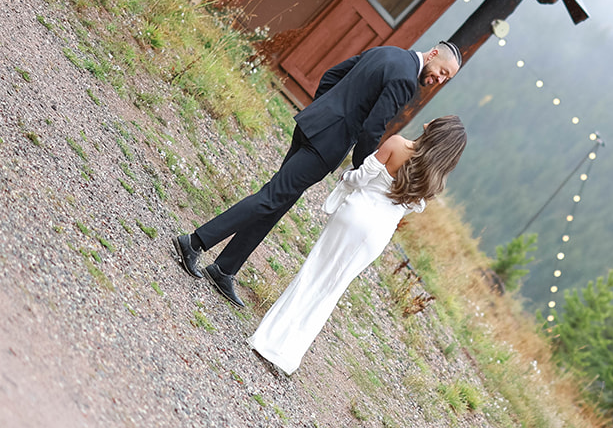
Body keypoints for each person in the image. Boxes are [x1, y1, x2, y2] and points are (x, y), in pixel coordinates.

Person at [174, 43, 461, 306]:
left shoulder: (389, 52)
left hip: (314, 125)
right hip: (325, 144)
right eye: (442, 72)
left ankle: (225, 267)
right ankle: (195, 242)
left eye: (446, 79)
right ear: (434, 54)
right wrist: (363, 170)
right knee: (271, 198)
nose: (440, 79)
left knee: (278, 201)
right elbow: (372, 128)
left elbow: (332, 75)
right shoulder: (405, 80)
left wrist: (323, 111)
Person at [248, 115, 467, 374]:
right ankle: (288, 354)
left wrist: (345, 178)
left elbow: (360, 178)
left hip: (355, 214)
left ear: (434, 128)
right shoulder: (434, 181)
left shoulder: (397, 144)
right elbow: (406, 209)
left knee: (313, 271)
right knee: (332, 289)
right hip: (378, 233)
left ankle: (267, 338)